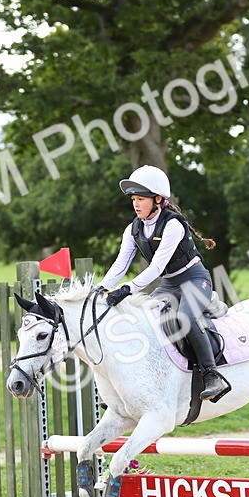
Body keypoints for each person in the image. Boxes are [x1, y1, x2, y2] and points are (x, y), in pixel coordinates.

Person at [97, 164, 230, 401]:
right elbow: (120, 265)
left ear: (158, 199)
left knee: (186, 319)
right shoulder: (133, 229)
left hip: (194, 280)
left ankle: (212, 375)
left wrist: (127, 289)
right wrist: (101, 287)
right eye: (134, 199)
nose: (136, 204)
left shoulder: (173, 225)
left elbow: (156, 267)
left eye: (141, 199)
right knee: (145, 321)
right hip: (168, 285)